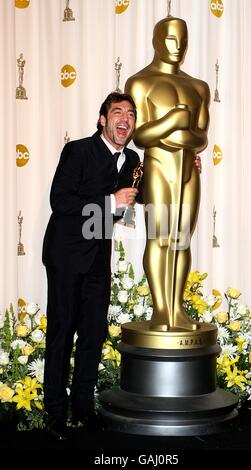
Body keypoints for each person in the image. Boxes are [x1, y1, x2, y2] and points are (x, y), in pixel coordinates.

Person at [42, 92, 139, 439]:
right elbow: (60, 201)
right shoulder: (78, 150)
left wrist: (188, 164)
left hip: (99, 256)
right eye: (117, 112)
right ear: (103, 120)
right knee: (62, 332)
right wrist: (110, 201)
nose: (124, 119)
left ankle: (83, 408)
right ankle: (54, 413)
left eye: (130, 114)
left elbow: (150, 191)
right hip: (66, 254)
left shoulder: (132, 160)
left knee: (94, 335)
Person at [125, 16, 210, 332]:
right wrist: (174, 120)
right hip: (159, 168)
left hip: (188, 171)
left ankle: (176, 307)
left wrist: (177, 136)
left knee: (181, 241)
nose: (178, 46)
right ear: (157, 41)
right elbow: (140, 136)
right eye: (171, 39)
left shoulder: (198, 86)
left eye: (183, 40)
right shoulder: (139, 82)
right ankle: (161, 310)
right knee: (159, 238)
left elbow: (200, 137)